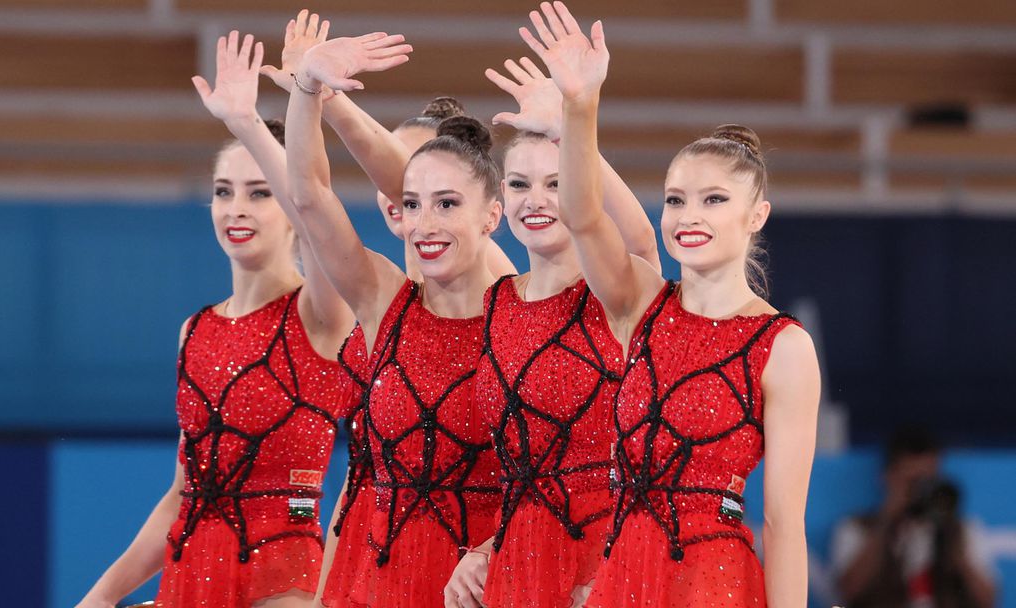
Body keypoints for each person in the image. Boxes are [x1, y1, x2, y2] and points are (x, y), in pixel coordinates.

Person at [519, 3, 821, 606]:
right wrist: (579, 109)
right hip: (621, 573)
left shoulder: (784, 347)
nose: (688, 217)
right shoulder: (639, 301)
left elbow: (784, 523)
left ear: (756, 216)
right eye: (676, 200)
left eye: (714, 200)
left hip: (713, 581)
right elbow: (581, 215)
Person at [77, 29, 355, 608]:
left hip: (285, 575)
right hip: (193, 571)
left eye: (259, 193)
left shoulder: (320, 312)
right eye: (224, 192)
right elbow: (183, 496)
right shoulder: (195, 330)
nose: (236, 210)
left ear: (288, 206)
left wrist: (247, 124)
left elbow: (316, 212)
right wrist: (99, 598)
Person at [282, 29, 507, 607]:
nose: (424, 224)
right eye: (412, 205)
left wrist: (491, 549)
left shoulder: (521, 312)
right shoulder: (384, 299)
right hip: (378, 576)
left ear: (492, 216)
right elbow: (308, 198)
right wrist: (307, 87)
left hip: (479, 584)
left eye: (447, 204)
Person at [444, 56, 659, 608]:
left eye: (556, 184)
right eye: (520, 184)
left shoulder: (614, 293)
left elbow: (639, 238)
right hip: (520, 552)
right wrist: (484, 549)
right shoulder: (497, 300)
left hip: (609, 550)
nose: (535, 200)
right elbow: (527, 467)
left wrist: (572, 128)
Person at [831, 428, 997, 608]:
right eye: (912, 481)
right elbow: (848, 591)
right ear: (888, 477)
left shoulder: (963, 529)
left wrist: (951, 539)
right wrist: (886, 522)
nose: (920, 491)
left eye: (929, 481)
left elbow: (987, 600)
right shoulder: (856, 528)